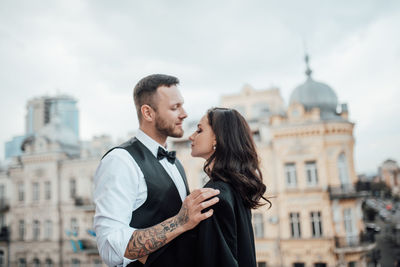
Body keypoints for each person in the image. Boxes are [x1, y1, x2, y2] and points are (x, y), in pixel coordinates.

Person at [93, 74, 220, 267]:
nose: (184, 114)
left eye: (182, 105)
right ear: (148, 113)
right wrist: (179, 222)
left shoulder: (175, 163)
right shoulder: (120, 161)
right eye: (174, 107)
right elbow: (111, 249)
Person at [189, 107, 270, 267]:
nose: (191, 136)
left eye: (199, 130)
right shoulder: (235, 188)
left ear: (217, 139)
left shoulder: (212, 197)